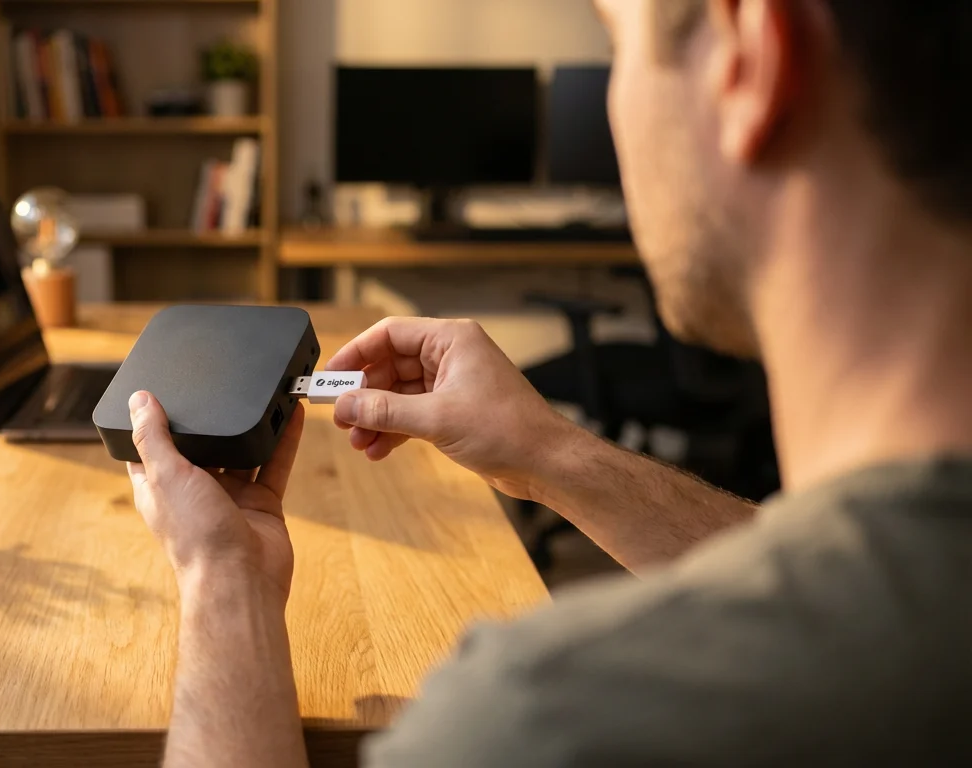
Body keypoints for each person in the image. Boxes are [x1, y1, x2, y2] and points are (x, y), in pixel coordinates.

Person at [124, 0, 972, 764]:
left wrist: (224, 576)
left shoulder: (543, 724)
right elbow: (834, 601)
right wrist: (546, 453)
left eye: (615, 41)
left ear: (749, 58)